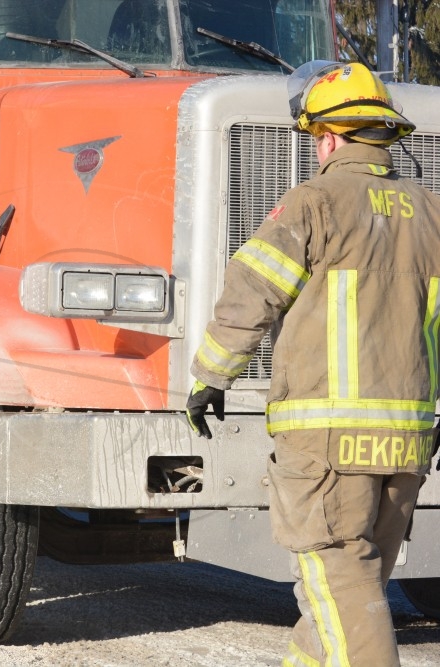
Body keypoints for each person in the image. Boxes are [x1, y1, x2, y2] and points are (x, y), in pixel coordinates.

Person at [185, 61, 440, 666]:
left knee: (341, 584)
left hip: (328, 442)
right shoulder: (432, 214)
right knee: (347, 597)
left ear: (327, 137)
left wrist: (210, 375)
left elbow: (254, 291)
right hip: (407, 443)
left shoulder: (314, 202)